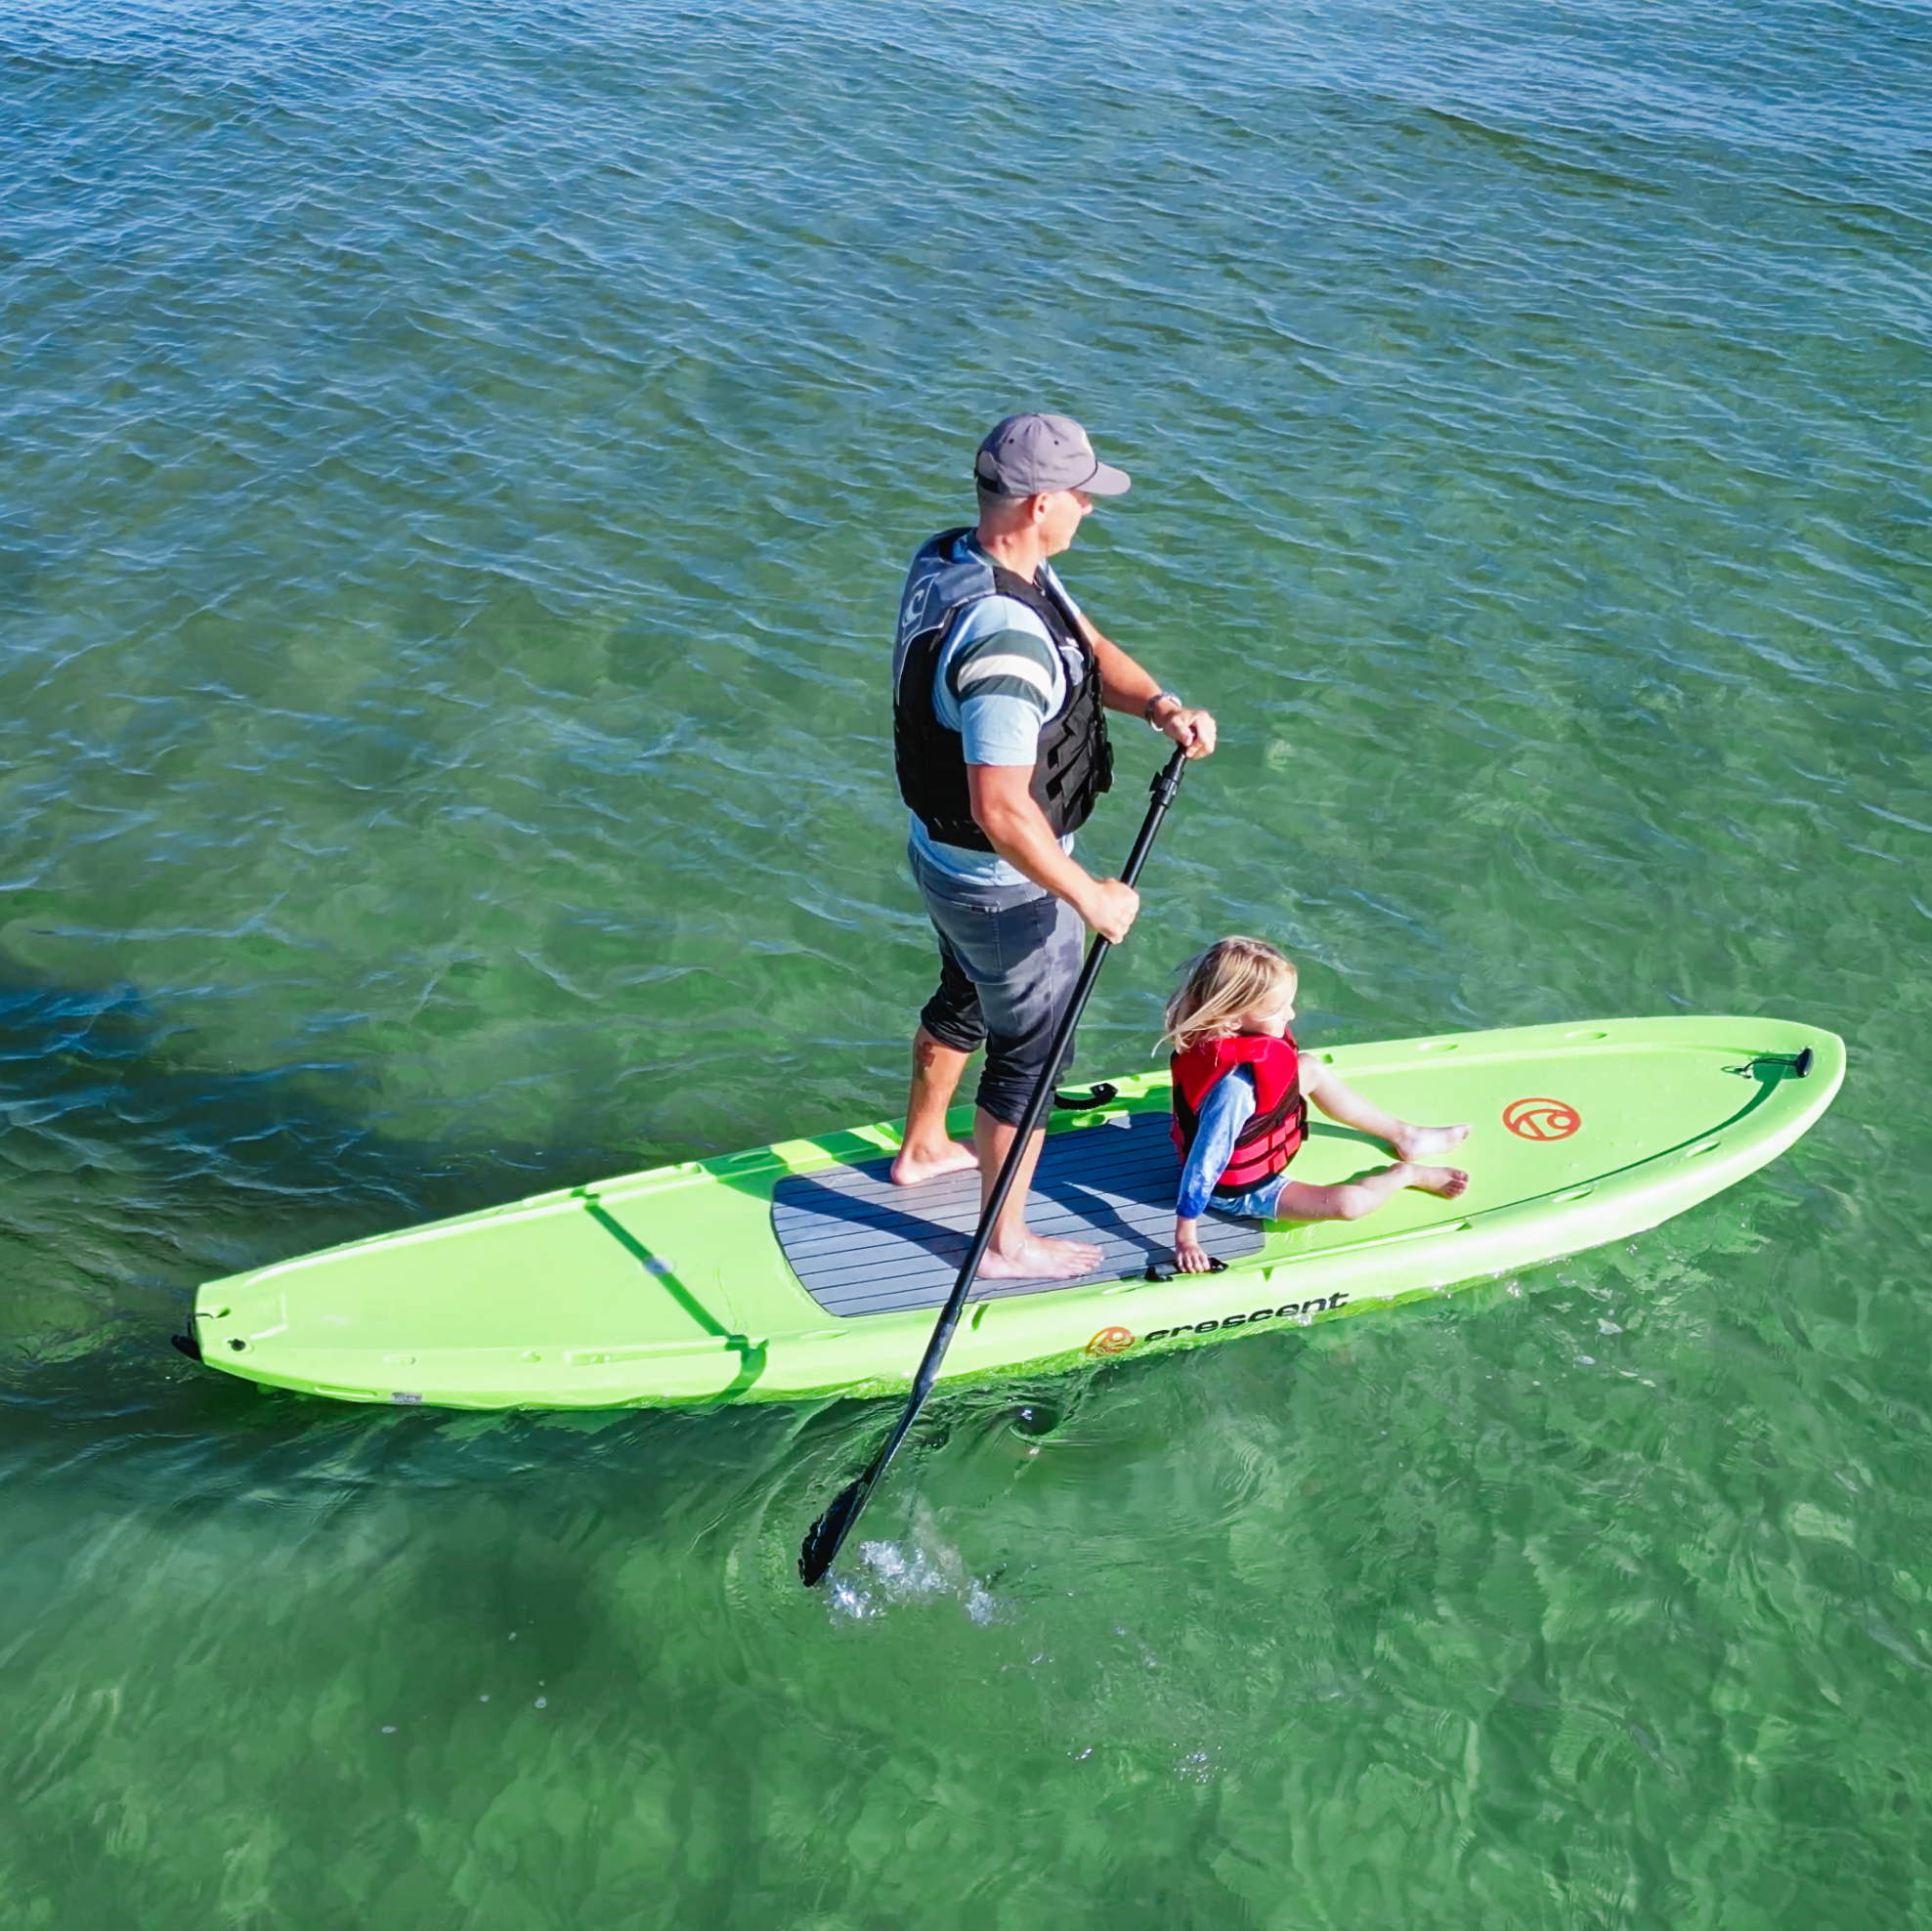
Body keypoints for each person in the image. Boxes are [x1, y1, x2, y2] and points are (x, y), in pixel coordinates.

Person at [890, 411, 1217, 1280]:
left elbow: (1089, 649)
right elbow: (1000, 806)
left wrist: (1158, 705)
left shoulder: (961, 557)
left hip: (942, 863)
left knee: (964, 990)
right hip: (1006, 883)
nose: (1089, 509)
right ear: (1039, 503)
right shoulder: (1001, 643)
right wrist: (1087, 894)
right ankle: (1005, 1244)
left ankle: (924, 1149)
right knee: (1029, 1056)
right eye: (1080, 496)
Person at [1165, 936, 1471, 1274]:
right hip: (1243, 1191)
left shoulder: (1230, 1040)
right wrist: (1186, 1237)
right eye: (1276, 1010)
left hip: (1255, 1133)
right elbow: (1205, 1163)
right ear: (1233, 1019)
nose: (1291, 1014)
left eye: (1289, 1003)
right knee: (1348, 1205)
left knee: (1308, 1066)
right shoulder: (1233, 1090)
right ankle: (1405, 1174)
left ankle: (1405, 1135)